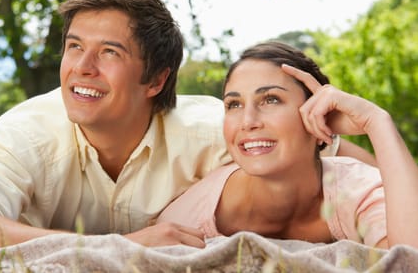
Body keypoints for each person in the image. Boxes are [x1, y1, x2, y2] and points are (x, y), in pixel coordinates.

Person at [0, 0, 374, 254]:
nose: (82, 67)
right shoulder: (30, 131)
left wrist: (363, 126)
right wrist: (127, 245)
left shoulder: (215, 126)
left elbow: (346, 165)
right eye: (75, 46)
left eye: (108, 52)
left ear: (155, 78)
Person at [157, 41, 418, 249]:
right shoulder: (190, 215)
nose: (248, 122)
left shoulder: (358, 190)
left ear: (319, 113)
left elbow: (410, 260)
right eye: (234, 105)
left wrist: (377, 121)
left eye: (271, 99)